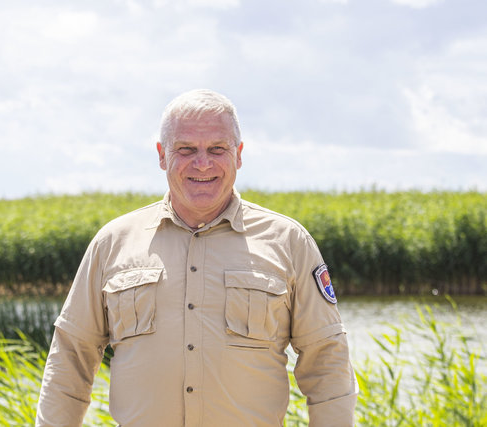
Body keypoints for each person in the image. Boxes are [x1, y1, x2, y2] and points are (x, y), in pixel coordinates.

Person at [36, 89, 358, 426]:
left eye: (217, 149)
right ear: (162, 155)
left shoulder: (289, 242)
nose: (202, 163)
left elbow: (327, 364)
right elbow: (70, 359)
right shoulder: (112, 242)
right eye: (186, 149)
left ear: (239, 154)